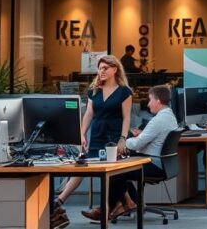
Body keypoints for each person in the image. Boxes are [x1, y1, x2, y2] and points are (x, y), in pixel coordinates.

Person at [53, 55, 133, 229]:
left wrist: (123, 139)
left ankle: (108, 208)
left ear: (115, 69)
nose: (101, 71)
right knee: (83, 167)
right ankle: (59, 201)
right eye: (100, 68)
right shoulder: (94, 90)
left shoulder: (124, 91)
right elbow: (89, 114)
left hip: (113, 136)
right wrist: (81, 134)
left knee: (111, 174)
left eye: (105, 68)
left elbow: (127, 118)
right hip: (96, 135)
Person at [81, 85, 179, 222]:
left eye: (150, 100)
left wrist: (121, 142)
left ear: (158, 101)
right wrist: (141, 135)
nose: (148, 103)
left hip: (153, 163)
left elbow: (138, 144)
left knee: (117, 171)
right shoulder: (170, 117)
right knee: (121, 168)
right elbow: (150, 139)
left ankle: (106, 209)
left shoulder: (158, 121)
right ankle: (130, 202)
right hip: (162, 163)